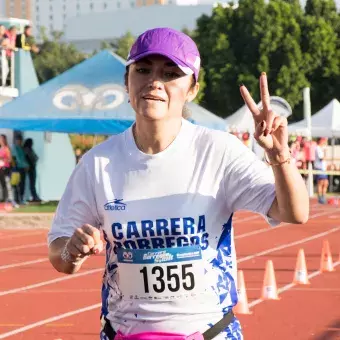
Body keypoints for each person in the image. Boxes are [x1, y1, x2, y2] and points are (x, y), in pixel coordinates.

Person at [48, 27, 309, 340]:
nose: (155, 81)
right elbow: (59, 255)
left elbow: (294, 212)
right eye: (143, 70)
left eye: (171, 73)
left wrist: (280, 157)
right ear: (127, 82)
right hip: (125, 334)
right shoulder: (97, 164)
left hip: (210, 333)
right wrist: (71, 253)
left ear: (192, 89)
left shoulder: (218, 151)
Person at [314, 137, 329, 204]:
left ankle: (323, 196)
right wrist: (325, 152)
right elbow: (322, 158)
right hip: (319, 168)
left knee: (325, 183)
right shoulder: (317, 148)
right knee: (321, 183)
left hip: (323, 168)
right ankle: (320, 198)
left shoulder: (321, 148)